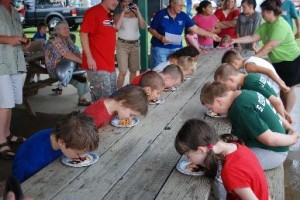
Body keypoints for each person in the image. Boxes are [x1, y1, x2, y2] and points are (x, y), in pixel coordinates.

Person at [200, 81, 299, 170]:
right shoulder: (246, 93)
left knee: (226, 165)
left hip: (273, 152)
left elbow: (269, 139)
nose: (212, 111)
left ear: (219, 101)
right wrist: (289, 128)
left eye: (211, 108)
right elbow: (274, 113)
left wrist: (293, 138)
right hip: (273, 143)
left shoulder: (241, 108)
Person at [230, 0, 300, 114]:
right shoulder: (266, 25)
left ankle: (287, 114)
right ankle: (284, 112)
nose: (262, 13)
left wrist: (253, 58)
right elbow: (253, 37)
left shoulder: (280, 25)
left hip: (291, 60)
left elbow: (270, 46)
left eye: (264, 11)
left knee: (289, 88)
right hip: (279, 61)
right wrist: (235, 40)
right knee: (282, 88)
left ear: (271, 12)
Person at [175, 119, 270, 200]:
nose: (189, 160)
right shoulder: (238, 146)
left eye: (188, 156)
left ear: (201, 150)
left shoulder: (230, 171)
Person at [12, 111, 100, 182]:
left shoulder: (63, 134)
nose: (83, 156)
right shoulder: (31, 164)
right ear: (62, 143)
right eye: (78, 153)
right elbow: (16, 185)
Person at [149, 0, 220, 68]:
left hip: (176, 48)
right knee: (159, 70)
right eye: (180, 5)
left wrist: (212, 35)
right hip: (160, 48)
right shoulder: (160, 14)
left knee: (176, 70)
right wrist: (160, 37)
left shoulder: (183, 16)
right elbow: (151, 29)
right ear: (172, 4)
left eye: (182, 5)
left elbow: (196, 29)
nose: (182, 7)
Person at [0, 0, 29, 159]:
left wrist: (24, 40)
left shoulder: (14, 9)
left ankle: (7, 133)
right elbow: (8, 37)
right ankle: (1, 141)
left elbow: (18, 32)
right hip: (1, 62)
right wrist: (8, 39)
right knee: (4, 103)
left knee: (11, 102)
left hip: (15, 61)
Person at [214, 63, 290, 122]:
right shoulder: (251, 77)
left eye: (224, 85)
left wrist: (284, 124)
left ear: (231, 80)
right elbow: (273, 95)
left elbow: (277, 102)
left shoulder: (250, 84)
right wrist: (284, 111)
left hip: (274, 118)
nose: (225, 88)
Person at [45, 21, 91, 106]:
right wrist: (84, 63)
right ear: (58, 30)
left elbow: (76, 51)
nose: (67, 30)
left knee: (82, 76)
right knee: (80, 76)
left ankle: (82, 99)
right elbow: (67, 54)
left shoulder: (66, 39)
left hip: (67, 67)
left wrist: (85, 61)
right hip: (55, 70)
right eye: (64, 28)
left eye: (68, 28)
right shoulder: (55, 40)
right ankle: (82, 98)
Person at [80, 0, 119, 102]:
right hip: (97, 63)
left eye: (118, 0)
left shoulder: (109, 14)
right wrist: (89, 58)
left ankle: (107, 117)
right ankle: (99, 118)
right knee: (102, 98)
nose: (116, 2)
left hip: (109, 62)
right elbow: (83, 34)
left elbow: (113, 30)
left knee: (112, 94)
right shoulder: (93, 12)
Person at [115, 0, 147, 88]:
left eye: (129, 2)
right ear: (121, 4)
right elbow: (116, 27)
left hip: (135, 45)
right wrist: (123, 13)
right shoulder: (118, 15)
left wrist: (138, 12)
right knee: (123, 71)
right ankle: (117, 92)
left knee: (134, 70)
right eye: (125, 2)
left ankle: (131, 91)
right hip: (122, 45)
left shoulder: (136, 15)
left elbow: (143, 26)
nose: (127, 4)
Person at [84, 85, 148, 129]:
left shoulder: (116, 108)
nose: (130, 118)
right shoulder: (97, 115)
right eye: (131, 114)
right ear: (123, 104)